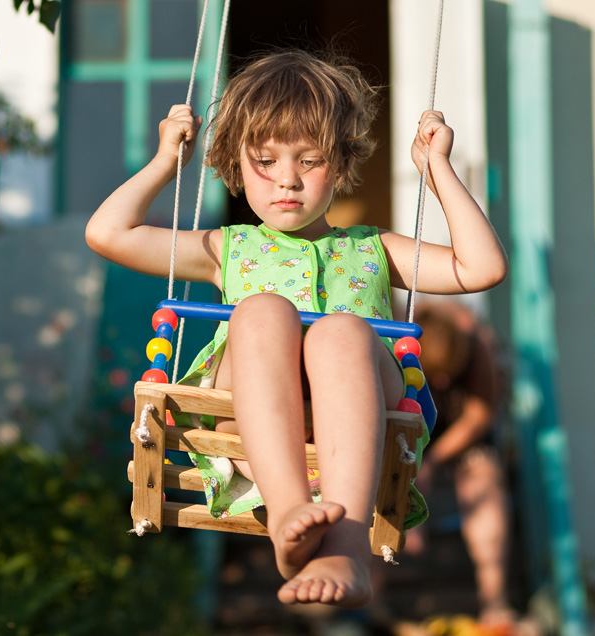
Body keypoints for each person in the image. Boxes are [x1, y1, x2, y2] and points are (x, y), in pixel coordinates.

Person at [85, 50, 508, 608]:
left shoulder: (374, 249)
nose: (287, 179)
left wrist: (438, 172)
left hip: (359, 421)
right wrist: (167, 161)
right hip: (249, 422)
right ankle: (288, 512)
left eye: (310, 161)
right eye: (265, 159)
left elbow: (482, 268)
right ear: (234, 160)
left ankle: (348, 544)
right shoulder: (227, 247)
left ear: (343, 160)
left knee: (342, 331)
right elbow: (109, 232)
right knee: (261, 311)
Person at [411, 300, 516, 627]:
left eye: (448, 373)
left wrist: (432, 460)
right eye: (434, 374)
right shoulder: (403, 347)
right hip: (413, 427)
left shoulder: (477, 346)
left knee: (483, 481)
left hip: (462, 436)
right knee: (387, 481)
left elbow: (478, 417)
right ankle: (366, 603)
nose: (441, 382)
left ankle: (493, 599)